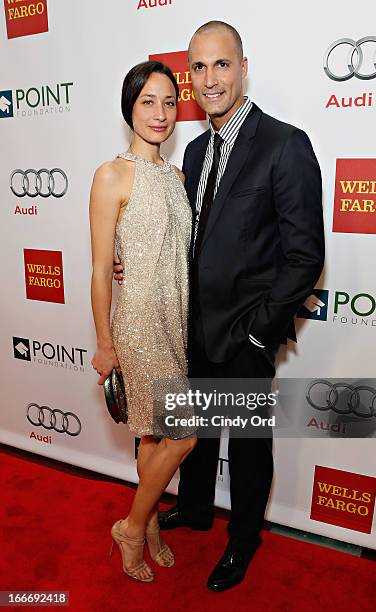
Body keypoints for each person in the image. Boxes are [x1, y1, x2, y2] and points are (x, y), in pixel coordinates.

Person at [114, 21, 325, 591]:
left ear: (243, 66)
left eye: (221, 64)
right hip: (189, 326)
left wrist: (260, 331)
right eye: (199, 68)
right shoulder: (198, 148)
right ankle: (199, 508)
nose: (210, 79)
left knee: (250, 448)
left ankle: (243, 541)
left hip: (246, 332)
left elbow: (305, 256)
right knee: (197, 432)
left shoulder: (285, 144)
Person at [90, 60, 196, 583]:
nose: (160, 113)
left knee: (154, 440)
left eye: (169, 102)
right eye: (147, 102)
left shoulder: (177, 177)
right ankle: (131, 529)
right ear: (129, 108)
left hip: (175, 321)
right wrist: (104, 342)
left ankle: (149, 524)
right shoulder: (111, 175)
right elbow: (99, 268)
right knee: (184, 436)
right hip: (137, 324)